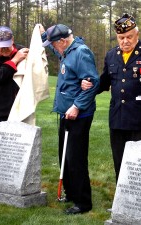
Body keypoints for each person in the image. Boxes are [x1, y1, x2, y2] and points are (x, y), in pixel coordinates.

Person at [83, 13, 141, 183]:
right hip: (118, 118)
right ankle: (123, 202)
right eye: (121, 38)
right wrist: (90, 86)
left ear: (137, 35)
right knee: (120, 162)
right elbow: (104, 82)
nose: (125, 41)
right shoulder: (111, 55)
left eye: (129, 37)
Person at [41, 24, 100, 214]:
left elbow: (92, 83)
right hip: (66, 112)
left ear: (63, 41)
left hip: (79, 114)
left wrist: (76, 106)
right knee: (65, 156)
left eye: (54, 44)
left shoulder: (81, 53)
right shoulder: (66, 51)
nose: (53, 48)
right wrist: (43, 32)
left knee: (76, 158)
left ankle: (83, 203)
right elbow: (52, 46)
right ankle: (72, 193)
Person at [0, 26, 29, 123]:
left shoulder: (24, 51)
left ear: (12, 40)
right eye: (0, 47)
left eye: (6, 46)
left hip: (22, 108)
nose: (3, 49)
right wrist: (15, 60)